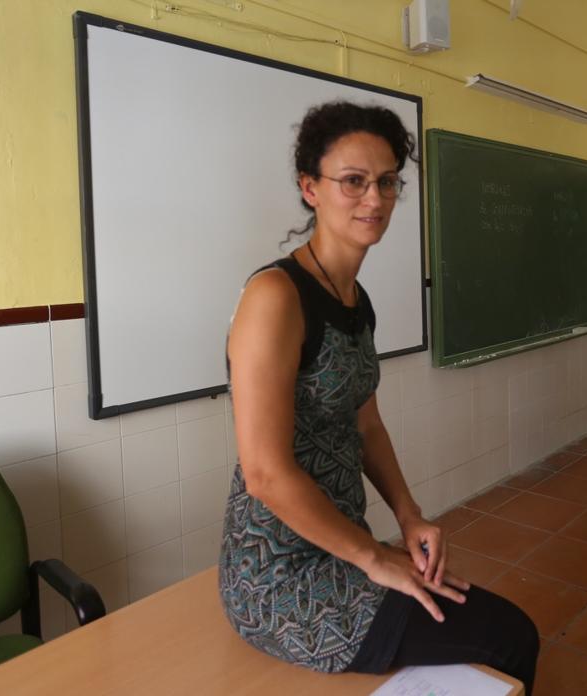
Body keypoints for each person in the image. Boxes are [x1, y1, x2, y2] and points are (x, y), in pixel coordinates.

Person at [218, 101, 539, 693]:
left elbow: (366, 426)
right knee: (510, 638)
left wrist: (409, 514)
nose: (375, 198)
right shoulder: (275, 296)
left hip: (343, 546)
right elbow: (264, 472)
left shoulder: (353, 299)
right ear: (310, 188)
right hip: (280, 579)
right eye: (354, 181)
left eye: (388, 181)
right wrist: (373, 558)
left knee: (489, 639)